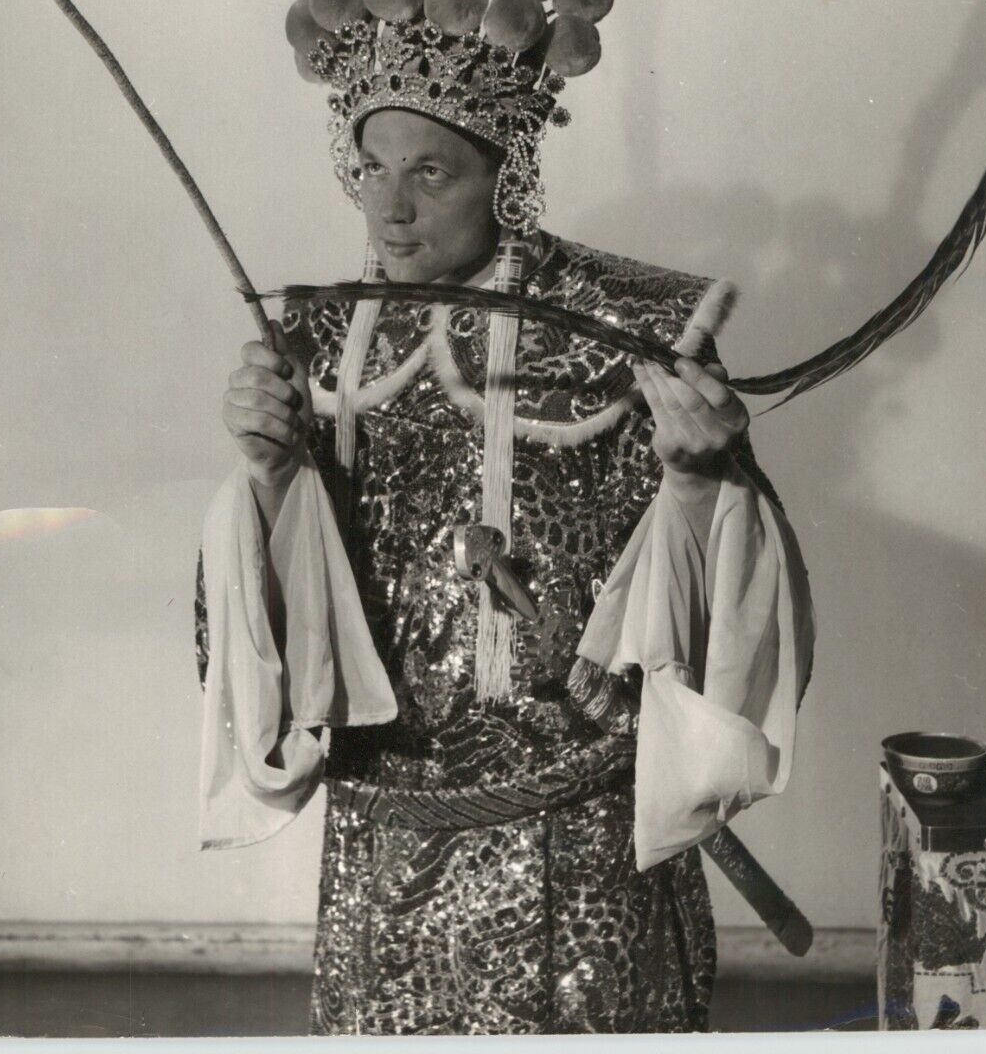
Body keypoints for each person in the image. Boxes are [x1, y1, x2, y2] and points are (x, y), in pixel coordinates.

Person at [197, 63, 814, 1035]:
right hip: (382, 847)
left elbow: (711, 613)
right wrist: (271, 471)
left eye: (429, 173)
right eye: (370, 168)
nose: (389, 210)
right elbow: (280, 642)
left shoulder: (621, 332)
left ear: (504, 175)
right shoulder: (317, 341)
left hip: (576, 847)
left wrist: (698, 479)